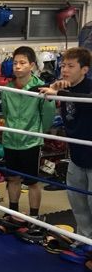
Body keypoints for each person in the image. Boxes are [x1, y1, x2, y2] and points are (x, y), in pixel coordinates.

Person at [40, 47, 92, 244]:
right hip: (76, 156)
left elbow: (86, 102)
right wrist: (55, 89)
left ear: (84, 69)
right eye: (63, 66)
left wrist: (59, 92)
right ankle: (84, 240)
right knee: (77, 202)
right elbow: (35, 90)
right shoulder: (62, 86)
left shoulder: (89, 88)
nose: (65, 70)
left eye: (71, 66)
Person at [1, 46, 56, 218]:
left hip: (31, 142)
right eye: (15, 63)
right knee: (12, 179)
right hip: (10, 140)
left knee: (32, 181)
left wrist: (37, 133)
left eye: (22, 63)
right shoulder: (8, 89)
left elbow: (48, 116)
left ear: (31, 65)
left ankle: (34, 217)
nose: (17, 66)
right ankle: (12, 213)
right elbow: (6, 114)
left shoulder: (41, 88)